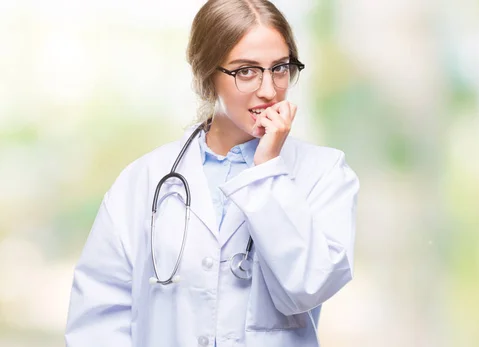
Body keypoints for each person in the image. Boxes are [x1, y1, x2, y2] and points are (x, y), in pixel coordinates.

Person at [64, 1, 359, 346]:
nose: (268, 89)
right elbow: (98, 320)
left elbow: (309, 286)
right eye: (246, 71)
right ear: (207, 73)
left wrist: (267, 172)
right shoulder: (143, 179)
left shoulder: (324, 173)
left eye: (280, 68)